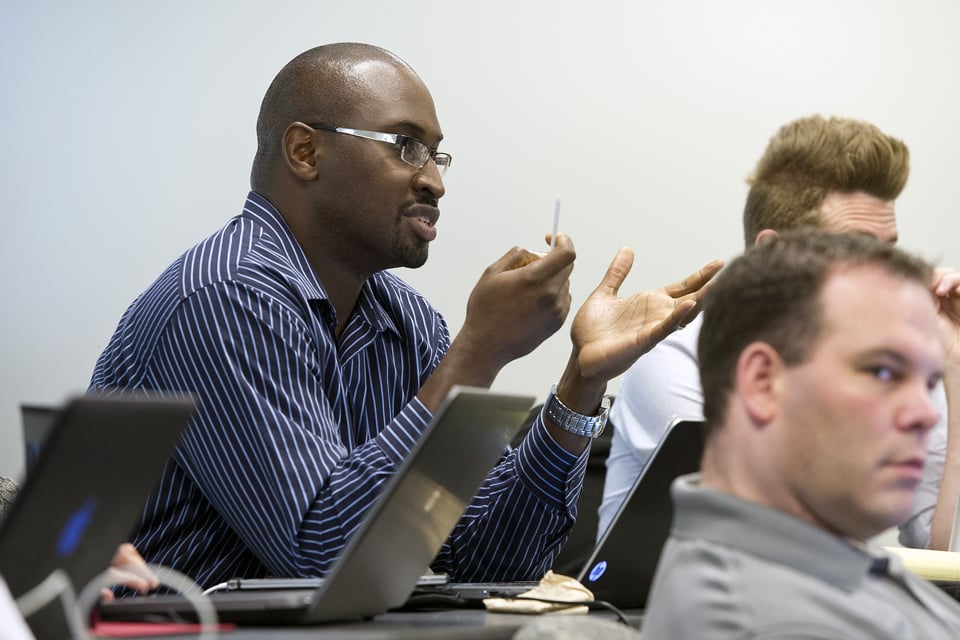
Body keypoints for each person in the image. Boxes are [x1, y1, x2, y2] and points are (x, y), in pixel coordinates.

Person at [88, 42, 721, 590]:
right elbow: (323, 556)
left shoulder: (408, 322)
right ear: (305, 153)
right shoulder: (226, 296)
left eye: (436, 155)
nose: (435, 183)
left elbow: (488, 561)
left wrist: (579, 386)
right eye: (406, 146)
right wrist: (478, 354)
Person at [600, 114, 960, 550]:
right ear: (774, 254)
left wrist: (955, 366)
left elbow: (940, 548)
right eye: (858, 252)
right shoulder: (678, 368)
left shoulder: (894, 368)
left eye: (890, 254)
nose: (890, 279)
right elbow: (769, 539)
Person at [642, 229, 960, 639]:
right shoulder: (778, 622)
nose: (926, 415)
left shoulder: (818, 558)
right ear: (763, 382)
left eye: (930, 381)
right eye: (882, 371)